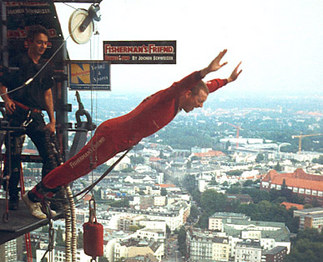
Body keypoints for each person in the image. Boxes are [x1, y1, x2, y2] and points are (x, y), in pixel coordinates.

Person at [23, 49, 242, 219]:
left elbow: (206, 88)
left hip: (116, 139)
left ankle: (43, 197)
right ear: (188, 93)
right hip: (111, 137)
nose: (201, 106)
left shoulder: (182, 99)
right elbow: (185, 84)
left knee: (76, 172)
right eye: (199, 102)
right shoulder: (168, 97)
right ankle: (33, 197)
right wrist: (204, 71)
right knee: (73, 169)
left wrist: (227, 81)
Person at [0, 25, 61, 210]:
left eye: (45, 43)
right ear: (30, 43)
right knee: (13, 158)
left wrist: (52, 120)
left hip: (36, 116)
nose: (42, 46)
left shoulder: (46, 67)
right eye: (39, 42)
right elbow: (2, 85)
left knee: (51, 157)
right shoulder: (18, 63)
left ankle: (42, 195)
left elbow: (48, 94)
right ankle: (13, 196)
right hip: (17, 113)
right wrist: (7, 99)